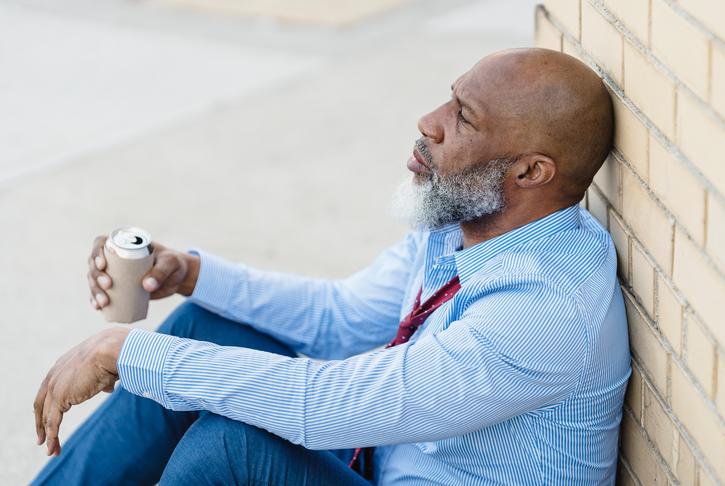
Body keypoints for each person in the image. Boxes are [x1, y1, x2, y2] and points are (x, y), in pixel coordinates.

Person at [32, 47, 630, 485]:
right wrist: (190, 273)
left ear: (530, 172)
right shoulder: (469, 229)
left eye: (463, 117)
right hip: (379, 465)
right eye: (451, 95)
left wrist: (122, 352)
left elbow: (331, 408)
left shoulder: (547, 309)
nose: (430, 120)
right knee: (207, 328)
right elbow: (340, 318)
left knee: (230, 448)